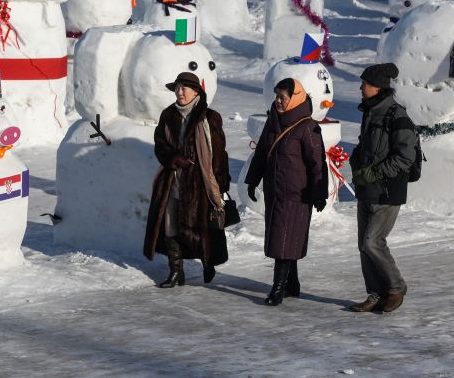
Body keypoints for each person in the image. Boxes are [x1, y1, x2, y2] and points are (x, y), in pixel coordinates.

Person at [144, 72, 231, 288]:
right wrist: (173, 158)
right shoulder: (168, 115)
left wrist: (221, 183)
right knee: (170, 227)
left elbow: (219, 154)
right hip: (173, 181)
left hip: (200, 183)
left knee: (201, 228)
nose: (179, 92)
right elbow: (160, 144)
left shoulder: (209, 117)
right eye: (177, 88)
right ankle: (176, 273)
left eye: (184, 88)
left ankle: (207, 262)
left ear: (196, 91)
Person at [245, 78, 328, 306]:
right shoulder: (274, 121)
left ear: (295, 98)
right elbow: (262, 152)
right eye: (277, 96)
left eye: (283, 97)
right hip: (275, 191)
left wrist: (319, 192)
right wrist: (252, 181)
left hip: (297, 195)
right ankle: (293, 284)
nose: (278, 101)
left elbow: (317, 163)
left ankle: (278, 289)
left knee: (283, 239)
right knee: (284, 237)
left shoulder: (307, 127)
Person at [348, 63, 416, 313]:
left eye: (365, 83)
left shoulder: (397, 116)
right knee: (363, 246)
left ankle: (396, 287)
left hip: (387, 191)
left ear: (378, 87)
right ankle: (375, 294)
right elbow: (366, 146)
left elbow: (405, 157)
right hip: (366, 188)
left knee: (372, 242)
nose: (360, 87)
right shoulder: (370, 112)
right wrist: (356, 160)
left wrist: (374, 173)